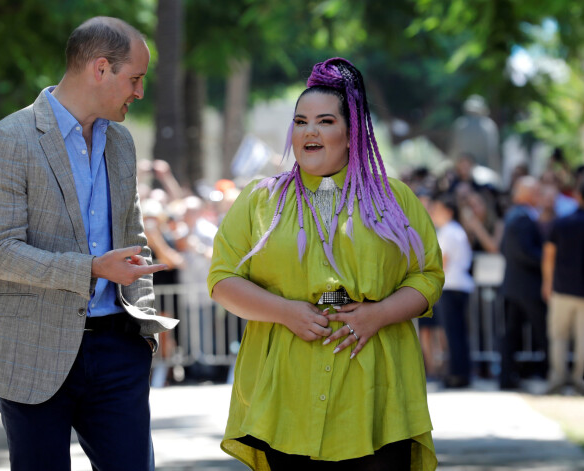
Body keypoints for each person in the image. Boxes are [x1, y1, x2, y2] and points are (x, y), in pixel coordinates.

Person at [209, 58, 444, 470]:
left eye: (325, 121)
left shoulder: (396, 199)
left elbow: (427, 275)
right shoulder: (258, 200)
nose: (310, 131)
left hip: (376, 394)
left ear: (352, 134)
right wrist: (285, 312)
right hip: (286, 392)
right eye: (300, 122)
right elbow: (222, 279)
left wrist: (379, 314)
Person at [0, 17, 178, 471]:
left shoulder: (120, 142)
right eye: (135, 79)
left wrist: (143, 329)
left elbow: (133, 237)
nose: (139, 92)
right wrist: (92, 269)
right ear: (101, 68)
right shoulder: (10, 138)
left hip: (118, 350)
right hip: (32, 352)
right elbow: (1, 252)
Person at [498, 176, 547, 390]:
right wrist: (548, 260)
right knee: (541, 332)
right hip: (527, 287)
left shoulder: (515, 216)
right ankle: (549, 373)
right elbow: (524, 252)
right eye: (536, 191)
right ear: (524, 193)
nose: (540, 195)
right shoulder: (522, 217)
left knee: (513, 334)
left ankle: (509, 376)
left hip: (514, 286)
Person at [541, 179, 584, 395]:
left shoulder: (562, 223)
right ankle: (579, 381)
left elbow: (549, 256)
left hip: (562, 288)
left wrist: (547, 283)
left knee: (559, 337)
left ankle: (557, 380)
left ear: (577, 196)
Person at [429, 193, 474, 388]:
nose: (433, 213)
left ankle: (457, 374)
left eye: (437, 209)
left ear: (448, 211)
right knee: (459, 333)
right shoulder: (456, 230)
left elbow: (442, 262)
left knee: (453, 333)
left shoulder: (448, 231)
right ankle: (461, 373)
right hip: (460, 285)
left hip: (451, 285)